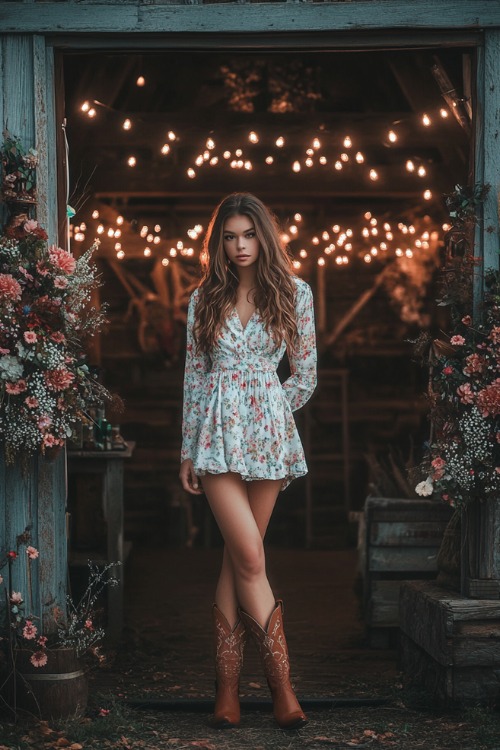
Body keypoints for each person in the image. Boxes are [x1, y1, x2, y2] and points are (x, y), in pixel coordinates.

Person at [179, 193, 317, 730]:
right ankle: (283, 691)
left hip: (267, 439)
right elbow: (194, 378)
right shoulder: (203, 298)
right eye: (230, 236)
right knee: (251, 560)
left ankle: (228, 690)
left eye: (248, 235)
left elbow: (305, 375)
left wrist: (271, 409)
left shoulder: (294, 292)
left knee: (237, 561)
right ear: (220, 241)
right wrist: (186, 450)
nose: (239, 246)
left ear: (264, 236)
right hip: (214, 438)